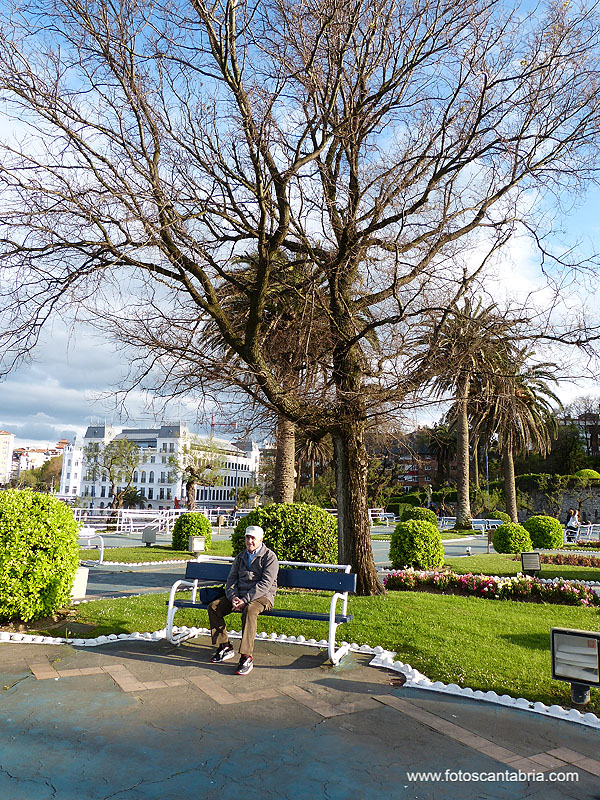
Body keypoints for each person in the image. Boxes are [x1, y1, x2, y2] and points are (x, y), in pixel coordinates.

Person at [207, 525, 278, 675]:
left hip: (262, 597)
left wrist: (245, 600)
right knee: (213, 607)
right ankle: (225, 646)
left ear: (261, 539)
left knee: (250, 611)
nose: (249, 541)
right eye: (247, 537)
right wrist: (233, 597)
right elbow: (231, 580)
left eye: (253, 538)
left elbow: (265, 584)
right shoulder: (241, 557)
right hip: (240, 596)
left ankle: (246, 656)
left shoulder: (270, 557)